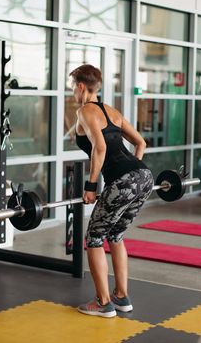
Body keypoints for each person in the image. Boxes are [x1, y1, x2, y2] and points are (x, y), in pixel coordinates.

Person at [70, 64, 153, 318]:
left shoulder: (85, 111)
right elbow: (140, 142)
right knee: (115, 234)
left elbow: (100, 148)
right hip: (144, 176)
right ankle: (121, 296)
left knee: (94, 238)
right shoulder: (111, 111)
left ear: (81, 87)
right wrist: (131, 176)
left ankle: (103, 302)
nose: (72, 91)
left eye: (73, 86)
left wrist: (92, 186)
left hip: (125, 181)